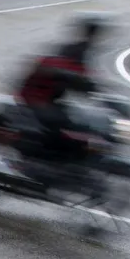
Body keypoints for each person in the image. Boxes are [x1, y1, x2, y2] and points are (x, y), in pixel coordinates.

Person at [13, 13, 110, 174]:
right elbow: (65, 71)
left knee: (86, 122)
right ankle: (45, 165)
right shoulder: (73, 49)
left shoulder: (84, 49)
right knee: (70, 128)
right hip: (37, 99)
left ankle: (66, 167)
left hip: (51, 99)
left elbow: (84, 80)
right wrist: (78, 81)